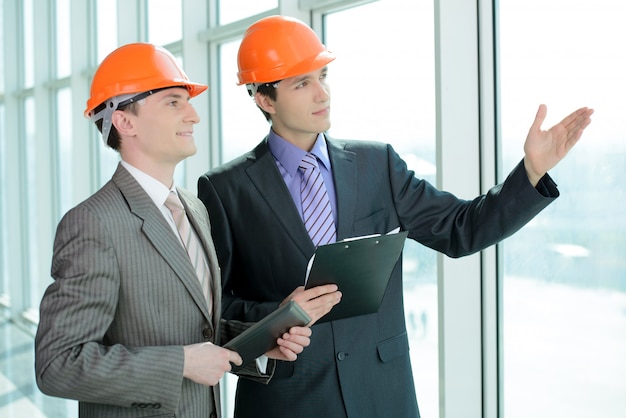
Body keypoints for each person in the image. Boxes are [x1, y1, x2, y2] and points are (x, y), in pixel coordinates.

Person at [197, 15, 594, 418]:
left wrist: (530, 172)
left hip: (381, 394)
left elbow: (462, 230)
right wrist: (279, 315)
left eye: (323, 76)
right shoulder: (224, 189)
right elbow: (215, 309)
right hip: (288, 400)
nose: (322, 94)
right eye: (303, 83)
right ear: (265, 99)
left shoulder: (377, 164)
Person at [34, 42, 333, 418]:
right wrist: (180, 364)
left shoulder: (192, 209)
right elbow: (57, 365)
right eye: (174, 102)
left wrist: (263, 339)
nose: (193, 116)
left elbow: (197, 329)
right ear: (125, 121)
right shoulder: (94, 223)